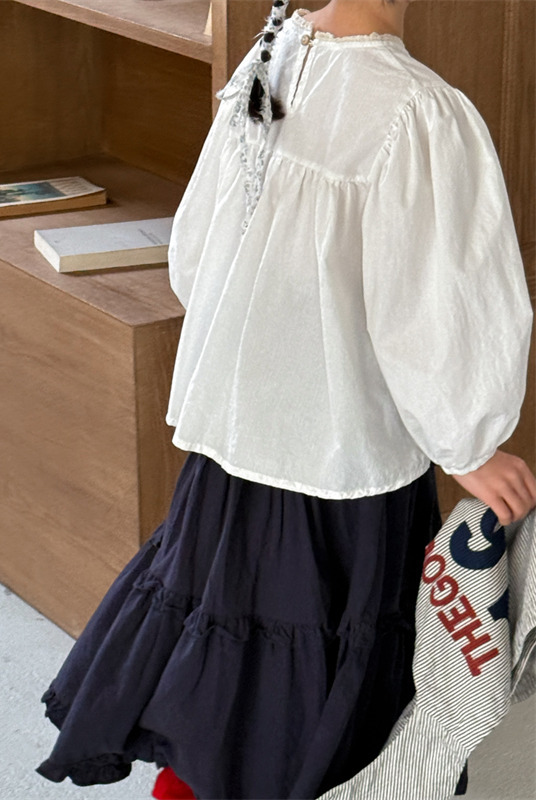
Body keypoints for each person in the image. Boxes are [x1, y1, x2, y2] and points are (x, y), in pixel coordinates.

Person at [35, 1, 536, 798]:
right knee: (315, 706)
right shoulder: (419, 113)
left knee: (224, 681)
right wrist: (468, 442)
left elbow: (195, 261)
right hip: (340, 464)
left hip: (235, 446)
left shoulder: (267, 63)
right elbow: (433, 304)